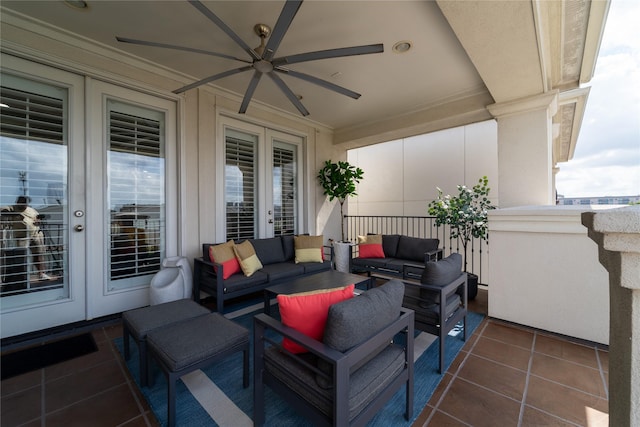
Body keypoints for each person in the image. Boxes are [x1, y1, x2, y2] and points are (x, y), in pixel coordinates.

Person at [1, 196, 51, 280]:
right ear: (17, 201)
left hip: (36, 234)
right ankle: (20, 277)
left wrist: (38, 221)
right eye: (21, 202)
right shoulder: (11, 208)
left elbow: (37, 218)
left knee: (38, 254)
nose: (23, 204)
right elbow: (3, 211)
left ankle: (41, 274)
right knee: (21, 256)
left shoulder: (31, 210)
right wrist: (15, 214)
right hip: (22, 236)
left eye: (25, 203)